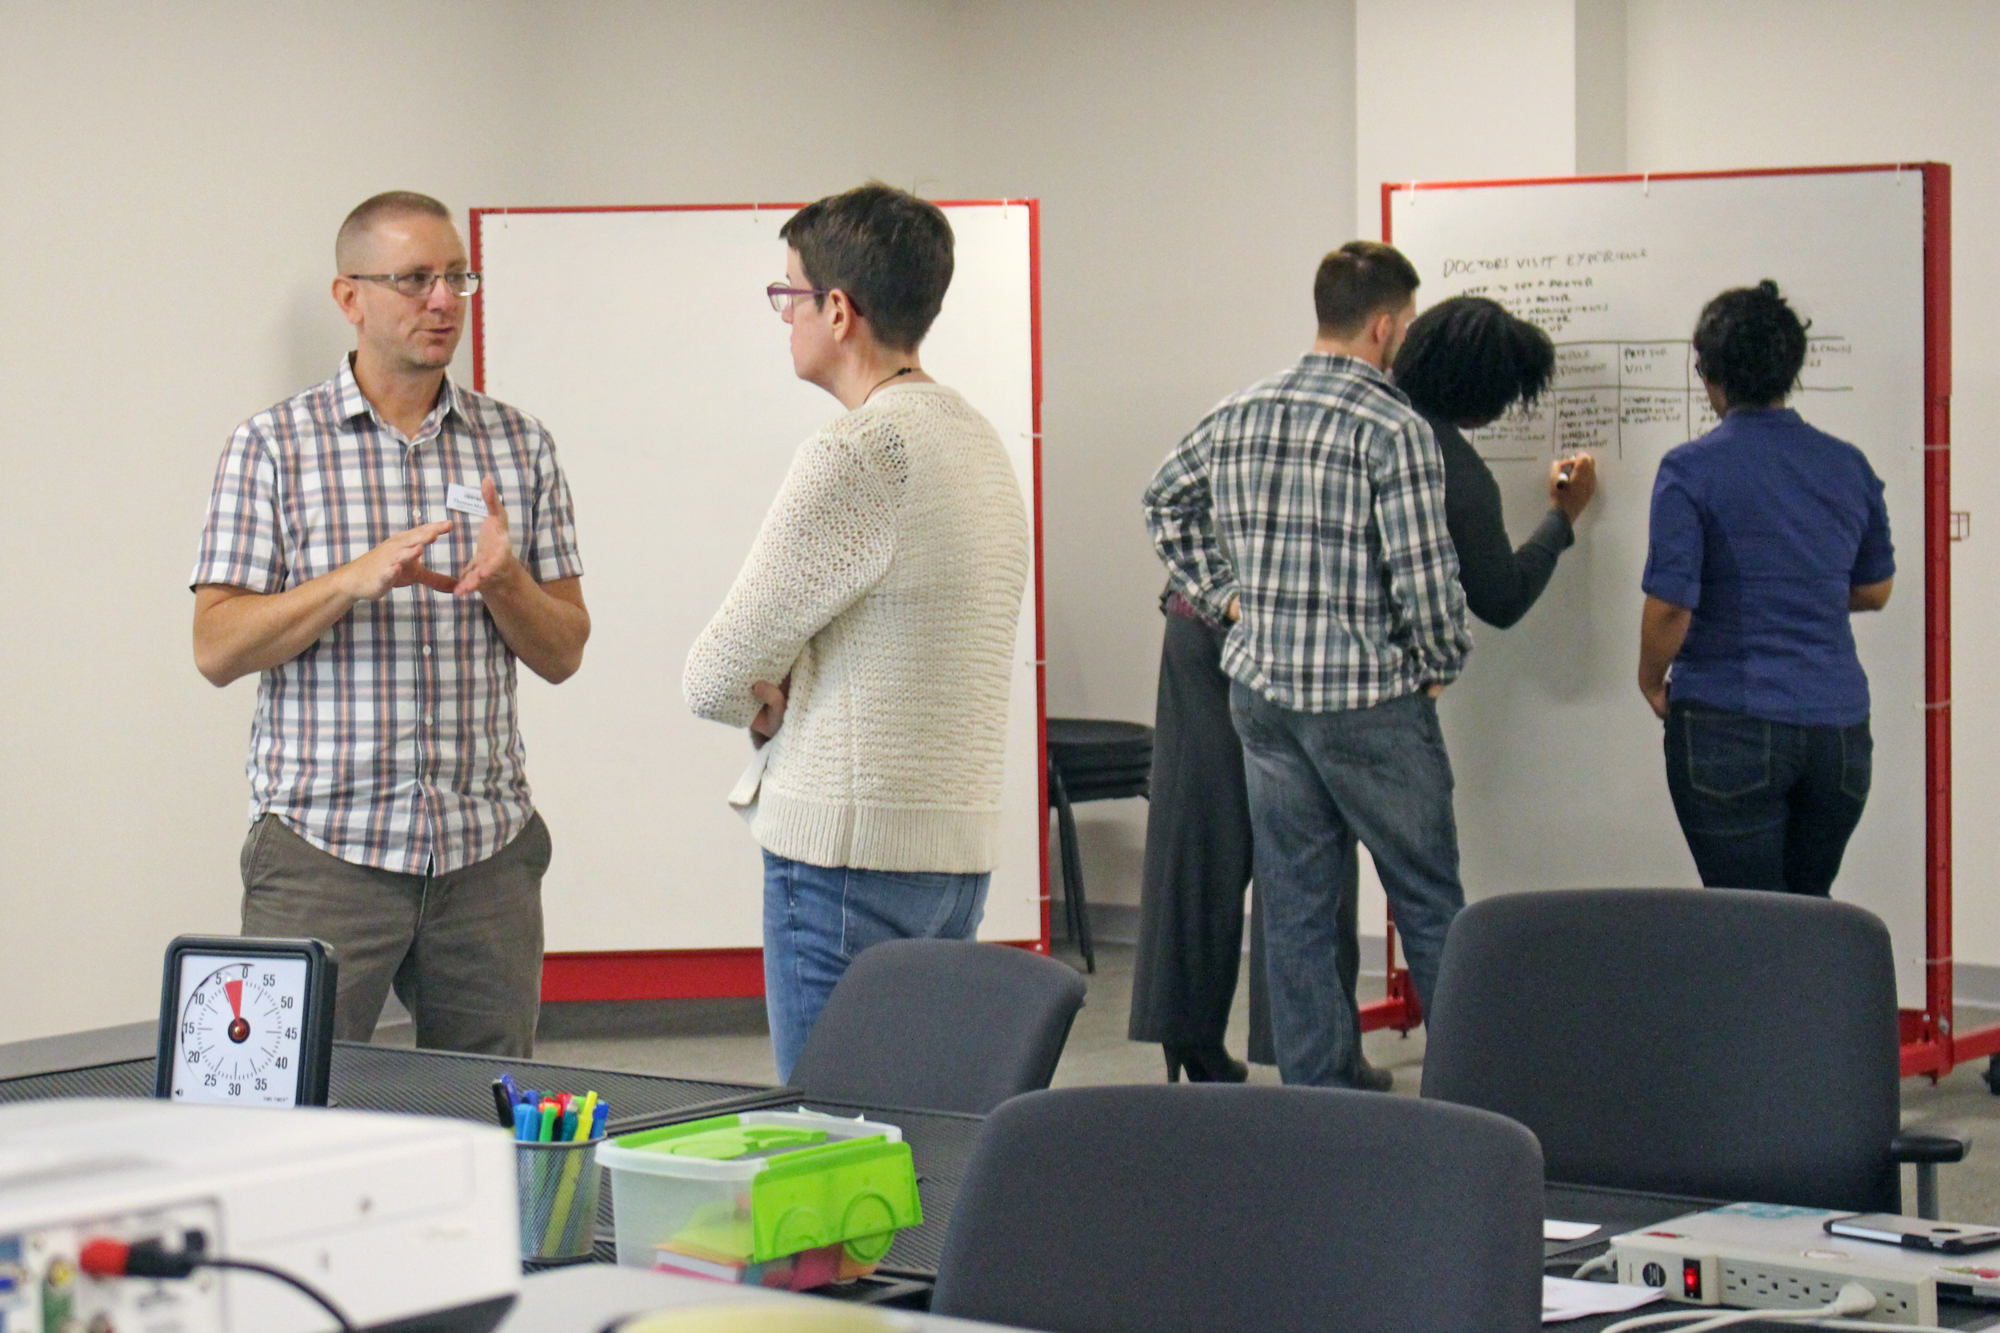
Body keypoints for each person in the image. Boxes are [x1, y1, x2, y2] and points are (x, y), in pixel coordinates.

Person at [191, 190, 590, 1056]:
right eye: (414, 279)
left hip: (486, 856)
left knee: (489, 1113)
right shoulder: (272, 447)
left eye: (457, 277)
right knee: (283, 1098)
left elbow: (565, 650)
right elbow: (216, 646)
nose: (443, 300)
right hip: (323, 853)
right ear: (351, 297)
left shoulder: (520, 446)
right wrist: (349, 580)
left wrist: (507, 581)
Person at [684, 183, 1031, 1081]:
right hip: (950, 857)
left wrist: (775, 698)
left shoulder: (861, 451)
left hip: (845, 860)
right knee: (915, 1123)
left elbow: (715, 675)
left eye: (788, 294)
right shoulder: (980, 443)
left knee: (830, 1133)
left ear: (838, 311)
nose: (785, 316)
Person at [1143, 240, 1472, 1089]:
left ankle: (1318, 1092)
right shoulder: (1392, 426)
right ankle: (1473, 1087)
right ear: (1385, 325)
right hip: (1368, 700)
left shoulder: (1241, 410)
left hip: (1263, 697)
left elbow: (1164, 499)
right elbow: (1424, 573)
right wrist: (1439, 658)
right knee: (1429, 898)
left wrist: (1226, 600)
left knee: (1294, 904)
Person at [1639, 279, 1892, 896]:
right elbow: (1875, 589)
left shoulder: (1690, 469)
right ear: (1791, 371)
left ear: (1709, 374)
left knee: (1745, 922)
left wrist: (1650, 680)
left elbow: (1671, 608)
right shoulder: (1848, 464)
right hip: (1837, 734)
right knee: (1807, 913)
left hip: (1728, 724)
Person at [1393, 295, 1598, 626]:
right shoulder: (1455, 476)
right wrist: (1564, 513)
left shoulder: (1345, 409)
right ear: (1482, 399)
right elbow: (1503, 601)